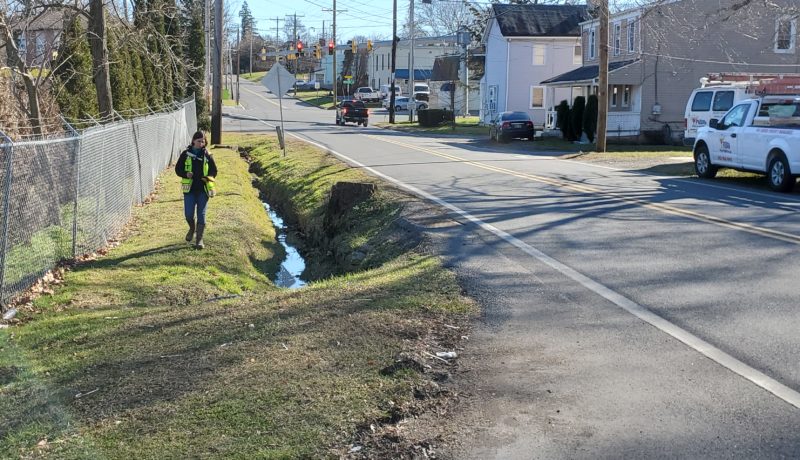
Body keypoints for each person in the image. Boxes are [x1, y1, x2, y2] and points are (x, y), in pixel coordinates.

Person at [175, 131, 217, 249]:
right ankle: (192, 228)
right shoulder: (185, 154)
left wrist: (208, 178)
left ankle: (199, 240)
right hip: (189, 190)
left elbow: (214, 171)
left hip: (203, 190)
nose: (201, 143)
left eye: (203, 141)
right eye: (199, 141)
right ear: (193, 141)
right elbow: (178, 170)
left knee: (201, 215)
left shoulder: (208, 155)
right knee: (188, 214)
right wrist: (185, 174)